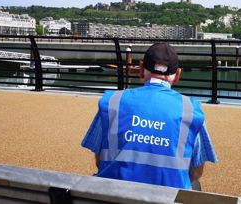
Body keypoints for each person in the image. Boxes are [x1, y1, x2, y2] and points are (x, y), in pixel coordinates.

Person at [81, 42, 217, 189]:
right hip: (168, 198)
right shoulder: (190, 110)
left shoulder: (112, 102)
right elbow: (196, 172)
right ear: (177, 75)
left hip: (111, 196)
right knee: (195, 185)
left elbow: (99, 160)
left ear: (141, 69)